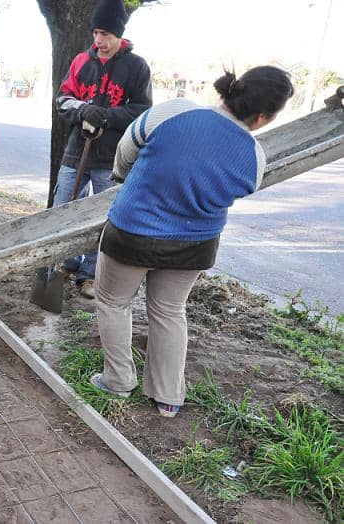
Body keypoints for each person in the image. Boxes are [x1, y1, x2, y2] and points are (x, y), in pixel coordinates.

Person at [90, 66, 294, 417]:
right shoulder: (254, 155)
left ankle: (118, 381)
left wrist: (127, 178)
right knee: (170, 311)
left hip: (133, 232)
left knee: (113, 302)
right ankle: (168, 397)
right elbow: (237, 189)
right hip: (195, 244)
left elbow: (126, 151)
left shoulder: (174, 111)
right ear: (263, 116)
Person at [54, 0, 152, 299]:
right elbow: (63, 100)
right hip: (75, 152)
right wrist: (83, 110)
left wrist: (108, 116)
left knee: (104, 218)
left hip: (113, 157)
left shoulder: (136, 67)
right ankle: (64, 263)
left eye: (106, 34)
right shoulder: (81, 62)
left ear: (119, 35)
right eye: (96, 33)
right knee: (63, 210)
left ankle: (90, 275)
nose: (99, 41)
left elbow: (142, 110)